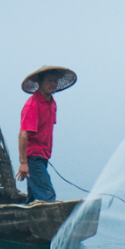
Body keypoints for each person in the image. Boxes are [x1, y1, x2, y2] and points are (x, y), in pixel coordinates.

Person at [16, 65, 76, 203]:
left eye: (54, 81)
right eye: (49, 80)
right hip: (33, 158)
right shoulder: (32, 105)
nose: (53, 84)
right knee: (47, 196)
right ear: (40, 82)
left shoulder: (52, 103)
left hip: (43, 156)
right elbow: (23, 135)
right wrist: (24, 163)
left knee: (33, 198)